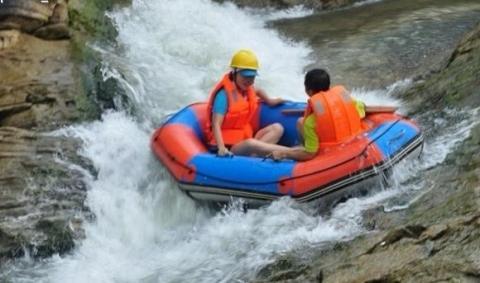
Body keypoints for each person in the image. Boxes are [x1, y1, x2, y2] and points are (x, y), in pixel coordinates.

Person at [205, 49, 290, 157]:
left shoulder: (246, 89)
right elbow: (216, 124)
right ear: (235, 72)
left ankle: (255, 156)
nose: (249, 81)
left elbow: (258, 90)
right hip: (228, 146)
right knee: (251, 144)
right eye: (245, 76)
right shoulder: (223, 95)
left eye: (252, 77)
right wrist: (221, 148)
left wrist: (269, 100)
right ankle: (293, 153)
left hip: (243, 139)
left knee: (277, 128)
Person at [272, 68, 366, 161]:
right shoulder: (348, 101)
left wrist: (285, 153)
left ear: (308, 91)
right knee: (301, 122)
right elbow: (362, 108)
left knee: (301, 122)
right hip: (354, 141)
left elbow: (310, 154)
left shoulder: (310, 122)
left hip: (331, 152)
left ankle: (302, 146)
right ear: (328, 86)